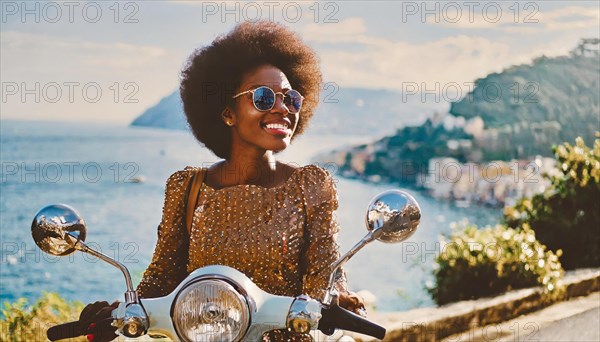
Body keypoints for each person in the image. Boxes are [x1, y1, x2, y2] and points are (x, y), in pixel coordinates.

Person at [78, 21, 365, 342]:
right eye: (264, 98)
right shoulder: (186, 187)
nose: (283, 108)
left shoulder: (310, 184)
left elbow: (324, 273)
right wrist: (120, 313)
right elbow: (162, 279)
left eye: (291, 98)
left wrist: (338, 297)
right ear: (228, 113)